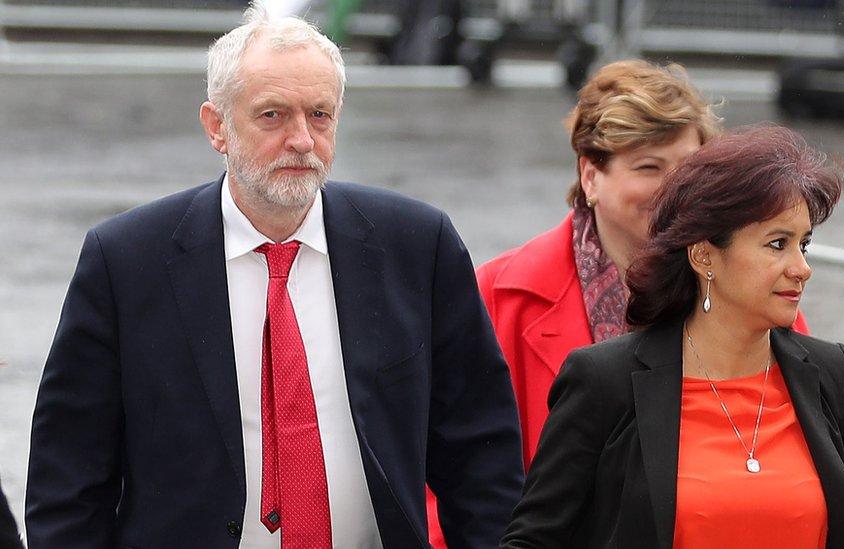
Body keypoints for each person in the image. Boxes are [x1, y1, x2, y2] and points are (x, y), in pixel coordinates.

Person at [26, 4, 523, 548]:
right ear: (217, 127)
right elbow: (68, 475)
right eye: (272, 115)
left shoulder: (416, 245)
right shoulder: (125, 261)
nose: (302, 140)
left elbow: (481, 454)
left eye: (319, 115)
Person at [502, 126, 844, 548]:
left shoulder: (830, 373)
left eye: (804, 244)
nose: (801, 267)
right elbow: (534, 540)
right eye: (777, 244)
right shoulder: (604, 380)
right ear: (704, 255)